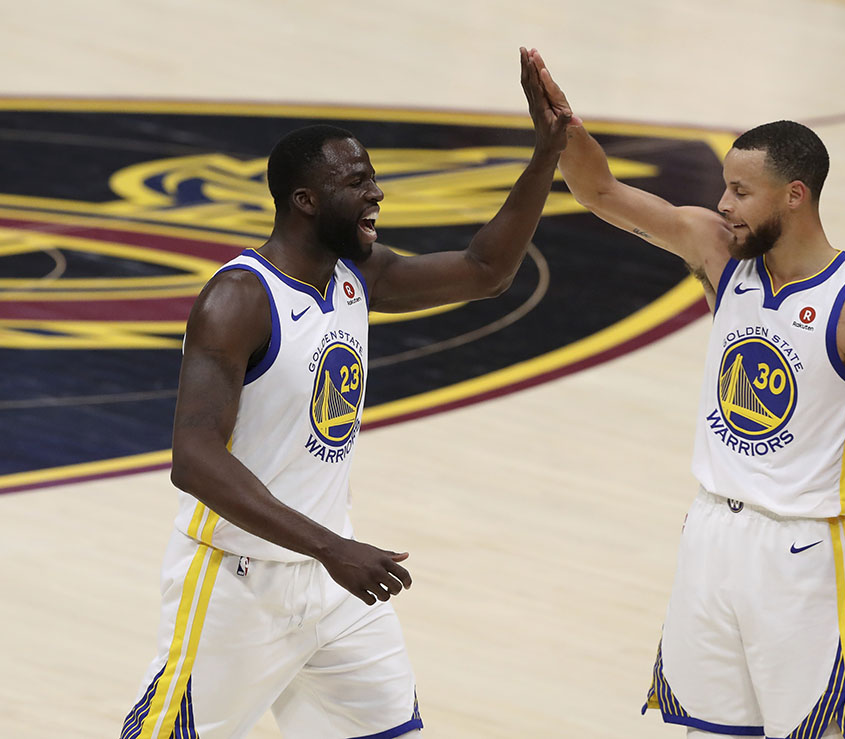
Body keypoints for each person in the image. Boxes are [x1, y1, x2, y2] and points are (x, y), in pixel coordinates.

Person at [120, 48, 572, 739]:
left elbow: (487, 270)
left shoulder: (358, 274)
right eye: (358, 182)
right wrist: (331, 546)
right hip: (238, 585)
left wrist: (547, 153)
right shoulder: (239, 299)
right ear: (306, 200)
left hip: (334, 586)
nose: (377, 194)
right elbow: (193, 456)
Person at [528, 50, 845, 739]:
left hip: (799, 553)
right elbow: (603, 194)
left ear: (795, 194)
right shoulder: (718, 253)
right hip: (709, 536)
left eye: (741, 191)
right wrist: (565, 129)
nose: (722, 204)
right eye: (724, 187)